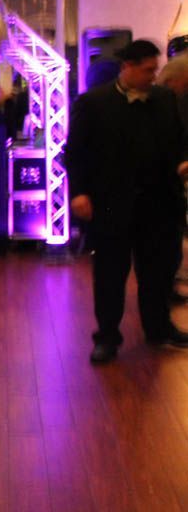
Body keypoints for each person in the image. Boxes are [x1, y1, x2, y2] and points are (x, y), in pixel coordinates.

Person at [66, 40, 188, 363]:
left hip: (157, 205)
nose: (153, 75)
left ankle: (158, 328)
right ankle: (107, 336)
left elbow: (177, 144)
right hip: (110, 206)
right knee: (109, 276)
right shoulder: (93, 103)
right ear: (127, 68)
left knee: (157, 273)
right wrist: (78, 193)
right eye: (148, 70)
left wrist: (181, 164)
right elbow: (75, 154)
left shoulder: (164, 100)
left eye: (155, 69)